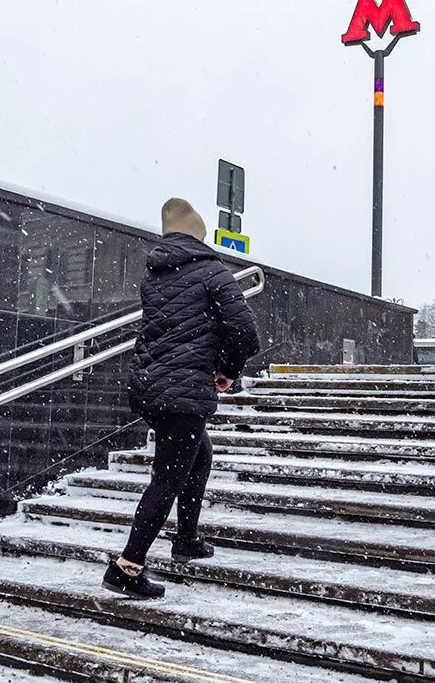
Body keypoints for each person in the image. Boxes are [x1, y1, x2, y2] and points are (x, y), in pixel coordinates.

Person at [102, 198, 261, 600]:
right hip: (184, 390)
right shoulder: (213, 272)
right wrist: (228, 369)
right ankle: (128, 567)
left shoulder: (155, 275)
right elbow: (245, 330)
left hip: (151, 386)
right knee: (168, 478)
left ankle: (186, 539)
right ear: (199, 234)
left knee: (198, 456)